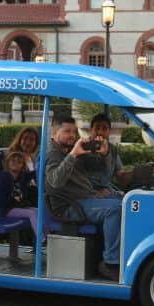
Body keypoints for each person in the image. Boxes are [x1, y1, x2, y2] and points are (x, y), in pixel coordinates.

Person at [44, 114, 122, 280]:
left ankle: (117, 254)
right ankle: (110, 264)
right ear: (54, 132)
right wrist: (73, 154)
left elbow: (97, 167)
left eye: (74, 131)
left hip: (85, 200)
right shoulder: (52, 154)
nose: (72, 135)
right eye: (67, 131)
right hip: (69, 207)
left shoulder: (73, 149)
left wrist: (104, 153)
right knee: (115, 209)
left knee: (126, 202)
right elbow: (55, 181)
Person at [82, 113, 136, 192]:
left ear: (109, 131)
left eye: (104, 129)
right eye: (97, 128)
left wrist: (137, 172)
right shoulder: (82, 147)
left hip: (107, 192)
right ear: (90, 130)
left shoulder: (112, 149)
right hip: (86, 194)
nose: (100, 132)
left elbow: (121, 177)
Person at [0, 150, 41, 241]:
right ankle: (42, 240)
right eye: (13, 160)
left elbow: (35, 172)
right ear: (7, 163)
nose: (15, 163)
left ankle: (48, 238)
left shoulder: (23, 177)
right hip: (7, 209)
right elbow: (1, 198)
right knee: (32, 213)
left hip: (20, 207)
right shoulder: (3, 177)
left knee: (40, 211)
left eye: (19, 161)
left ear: (22, 166)